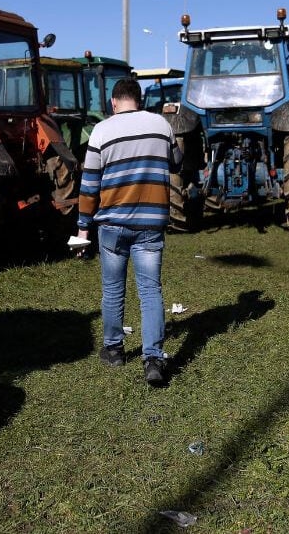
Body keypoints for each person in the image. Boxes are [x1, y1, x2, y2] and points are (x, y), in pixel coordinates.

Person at [76, 78, 181, 386]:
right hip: (151, 224)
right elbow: (176, 162)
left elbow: (89, 185)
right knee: (150, 290)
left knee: (113, 289)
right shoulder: (161, 125)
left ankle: (113, 350)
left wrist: (83, 229)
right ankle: (153, 358)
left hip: (112, 224)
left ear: (114, 102)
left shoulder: (101, 131)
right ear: (140, 99)